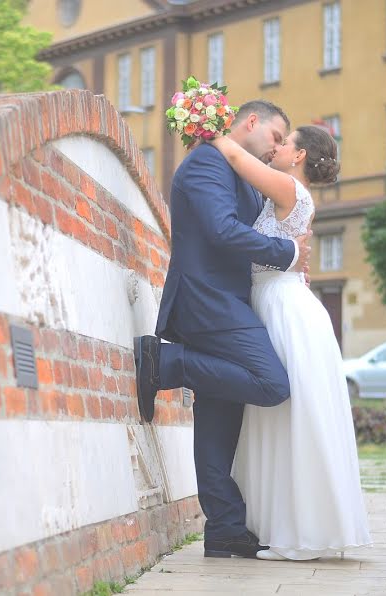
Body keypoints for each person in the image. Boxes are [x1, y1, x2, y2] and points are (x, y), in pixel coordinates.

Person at [133, 101, 311, 558]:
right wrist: (287, 253)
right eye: (275, 136)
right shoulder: (206, 162)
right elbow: (221, 230)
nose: (276, 148)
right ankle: (167, 363)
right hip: (206, 301)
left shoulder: (244, 174)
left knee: (218, 424)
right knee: (271, 384)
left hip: (229, 301)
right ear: (251, 123)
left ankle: (225, 528)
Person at [211, 124, 372, 560]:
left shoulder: (288, 186)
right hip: (281, 299)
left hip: (282, 309)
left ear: (299, 156)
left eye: (285, 143)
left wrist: (205, 124)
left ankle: (296, 532)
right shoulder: (295, 197)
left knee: (286, 416)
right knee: (284, 417)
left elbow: (238, 160)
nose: (277, 148)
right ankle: (291, 526)